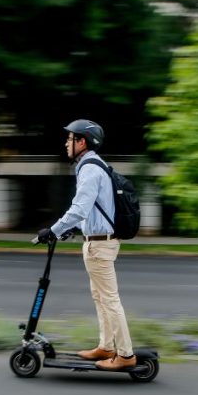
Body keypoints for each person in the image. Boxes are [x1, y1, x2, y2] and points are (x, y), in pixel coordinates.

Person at [37, 119, 136, 371]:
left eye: (70, 138)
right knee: (101, 297)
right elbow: (93, 211)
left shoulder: (90, 169)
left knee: (110, 300)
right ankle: (106, 346)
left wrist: (54, 230)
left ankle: (125, 354)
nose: (66, 142)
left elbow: (79, 208)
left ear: (82, 142)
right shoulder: (91, 166)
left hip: (100, 246)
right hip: (96, 243)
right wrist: (73, 229)